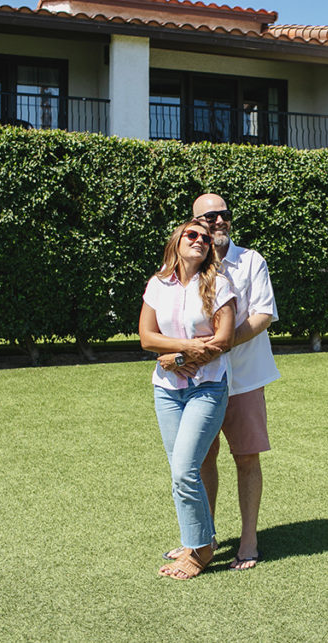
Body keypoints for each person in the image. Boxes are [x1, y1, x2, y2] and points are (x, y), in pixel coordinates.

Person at [161, 193, 280, 570]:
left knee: (246, 457)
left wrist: (215, 348)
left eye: (224, 215)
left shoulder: (250, 261)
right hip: (199, 382)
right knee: (201, 459)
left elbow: (263, 315)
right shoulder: (188, 264)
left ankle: (248, 540)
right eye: (209, 217)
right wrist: (186, 354)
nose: (218, 222)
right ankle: (203, 539)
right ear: (193, 223)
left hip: (243, 378)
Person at [139, 219, 236, 580]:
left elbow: (223, 339)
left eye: (205, 238)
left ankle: (201, 551)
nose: (199, 240)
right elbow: (147, 338)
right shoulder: (157, 284)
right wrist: (184, 347)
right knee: (181, 471)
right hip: (166, 390)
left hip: (207, 387)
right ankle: (196, 539)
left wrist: (178, 358)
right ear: (176, 243)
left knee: (184, 470)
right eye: (191, 235)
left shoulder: (220, 284)